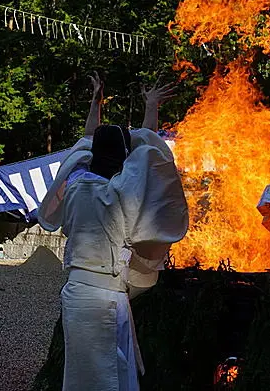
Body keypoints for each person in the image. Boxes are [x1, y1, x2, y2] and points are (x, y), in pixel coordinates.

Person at [38, 72, 188, 391]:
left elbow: (86, 144)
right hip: (103, 298)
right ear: (122, 157)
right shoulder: (121, 191)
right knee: (103, 380)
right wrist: (152, 105)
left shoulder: (77, 184)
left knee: (99, 376)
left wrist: (96, 104)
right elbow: (150, 153)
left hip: (82, 293)